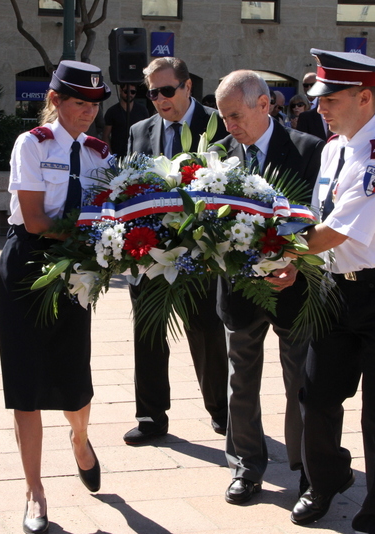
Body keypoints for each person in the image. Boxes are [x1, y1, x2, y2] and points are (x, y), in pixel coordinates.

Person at [289, 49, 375, 534]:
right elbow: (317, 219)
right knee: (316, 397)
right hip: (335, 290)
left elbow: (334, 231)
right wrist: (295, 263)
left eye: (331, 99)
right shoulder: (334, 148)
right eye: (319, 98)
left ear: (364, 98)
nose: (320, 107)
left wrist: (275, 254)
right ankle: (326, 480)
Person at [0, 60, 111, 534]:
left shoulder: (100, 154)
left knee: (73, 374)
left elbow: (110, 210)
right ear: (55, 100)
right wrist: (96, 235)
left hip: (77, 267)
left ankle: (80, 439)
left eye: (94, 104)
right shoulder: (32, 144)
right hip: (29, 262)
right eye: (79, 102)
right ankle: (34, 491)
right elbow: (37, 220)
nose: (88, 112)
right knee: (25, 382)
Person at [213, 70, 324, 505]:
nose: (229, 126)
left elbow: (319, 218)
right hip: (239, 290)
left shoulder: (308, 150)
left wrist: (295, 261)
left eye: (235, 116)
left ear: (264, 105)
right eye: (223, 117)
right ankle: (246, 466)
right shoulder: (217, 157)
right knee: (240, 380)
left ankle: (308, 468)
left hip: (294, 289)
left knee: (301, 381)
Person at [125, 56, 229, 445]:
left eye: (166, 91)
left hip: (201, 251)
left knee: (206, 332)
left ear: (187, 86)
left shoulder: (218, 125)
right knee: (148, 330)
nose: (159, 100)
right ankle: (150, 416)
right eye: (152, 93)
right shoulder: (139, 130)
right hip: (150, 250)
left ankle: (221, 411)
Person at [102, 83, 150, 160]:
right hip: (117, 155)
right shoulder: (112, 111)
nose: (129, 94)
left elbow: (147, 132)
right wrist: (110, 156)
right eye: (126, 91)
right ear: (120, 90)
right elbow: (106, 135)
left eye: (133, 92)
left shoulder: (142, 110)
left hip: (137, 155)